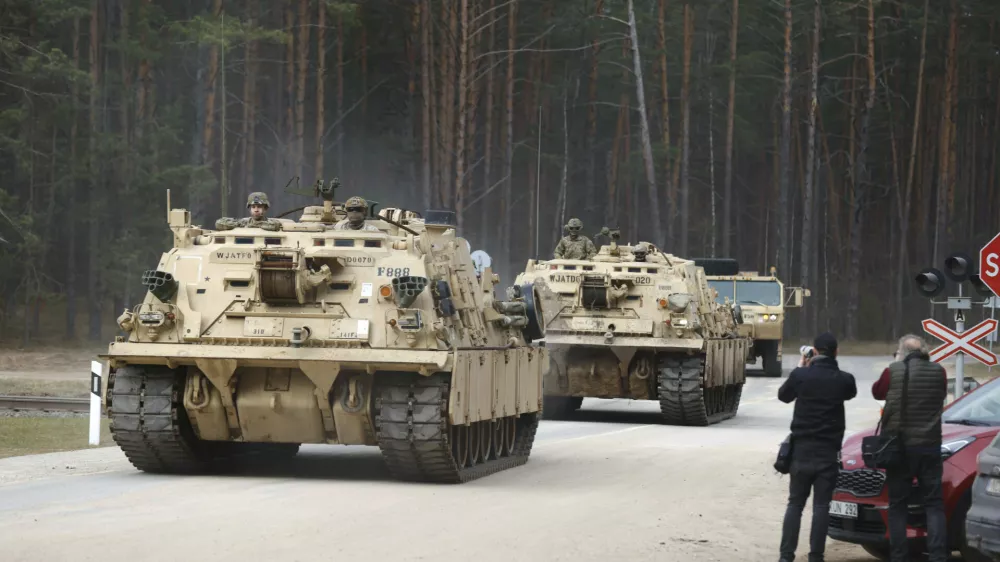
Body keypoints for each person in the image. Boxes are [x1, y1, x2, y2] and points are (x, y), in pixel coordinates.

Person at [777, 332, 857, 562]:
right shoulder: (844, 379)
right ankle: (816, 556)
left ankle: (786, 556)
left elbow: (783, 396)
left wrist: (802, 367)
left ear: (814, 350)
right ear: (836, 351)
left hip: (801, 450)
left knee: (795, 504)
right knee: (822, 506)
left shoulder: (802, 375)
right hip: (828, 452)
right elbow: (850, 393)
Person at [875, 334, 948, 562]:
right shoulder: (940, 371)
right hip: (929, 446)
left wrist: (896, 362)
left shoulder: (893, 370)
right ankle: (937, 556)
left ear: (901, 352)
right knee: (934, 504)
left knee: (898, 505)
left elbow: (878, 392)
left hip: (901, 448)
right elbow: (942, 395)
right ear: (925, 350)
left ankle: (899, 556)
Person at [216, 192, 282, 232]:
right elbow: (219, 223)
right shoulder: (243, 222)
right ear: (249, 209)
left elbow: (275, 226)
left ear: (265, 208)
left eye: (259, 207)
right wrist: (238, 224)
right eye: (253, 207)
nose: (256, 210)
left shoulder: (273, 224)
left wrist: (253, 225)